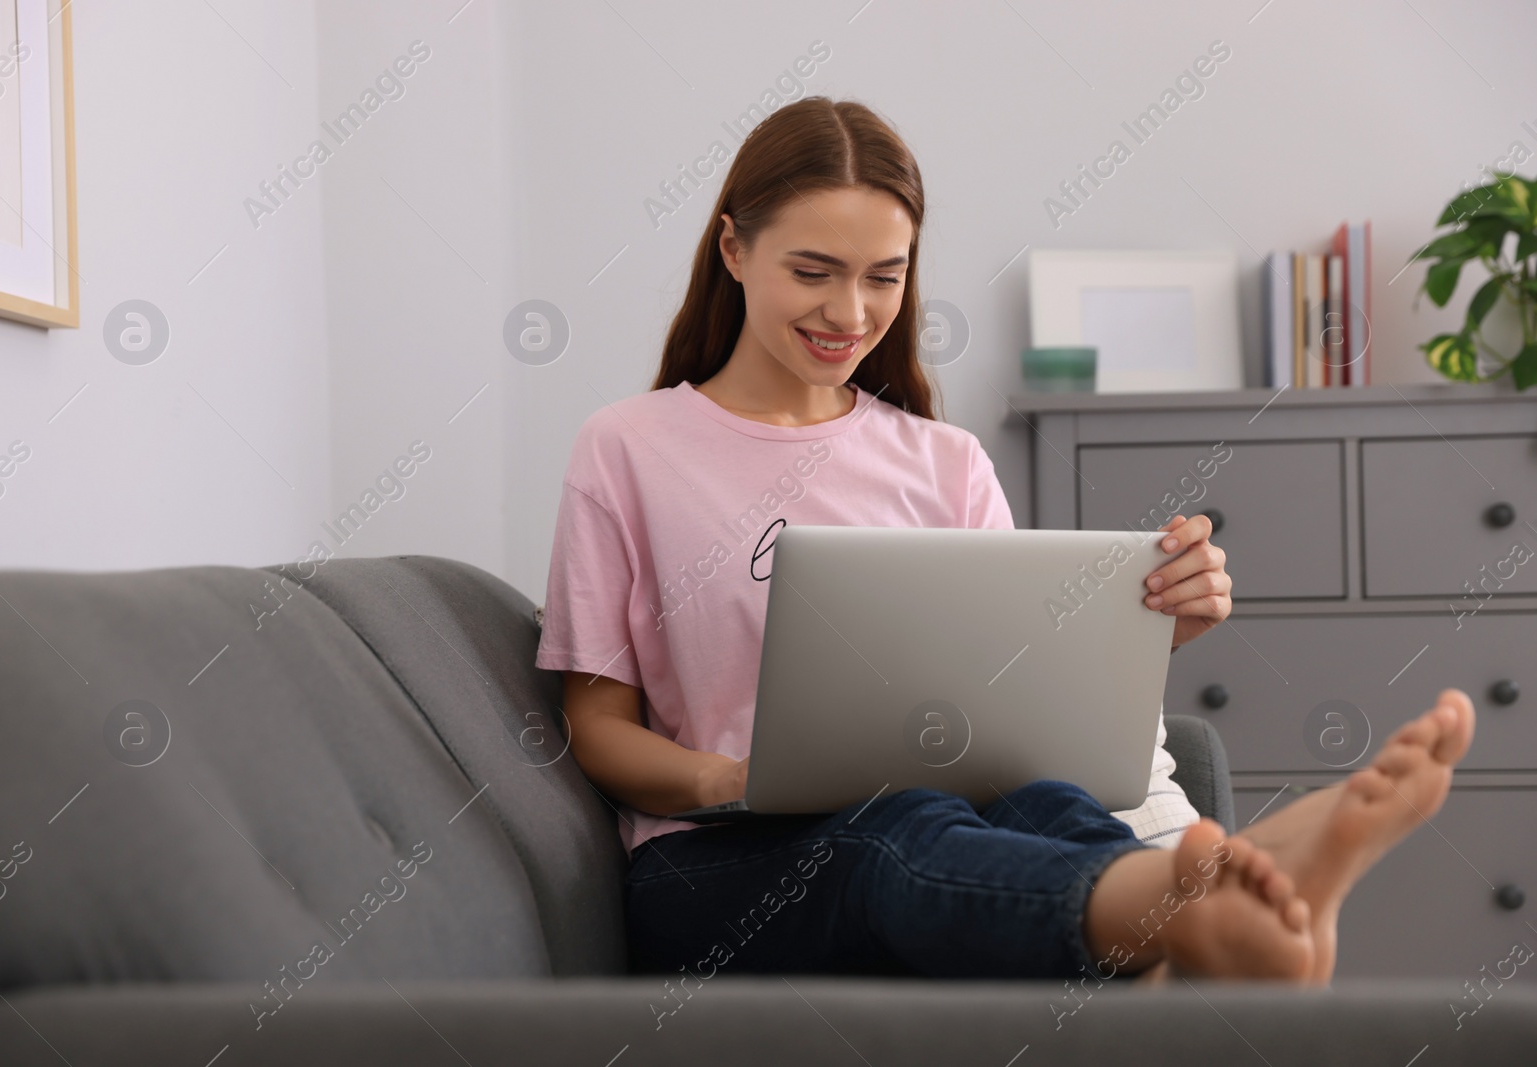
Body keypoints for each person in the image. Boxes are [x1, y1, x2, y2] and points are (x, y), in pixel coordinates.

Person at [534, 95, 1476, 985]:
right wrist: (724, 776)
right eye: (813, 272)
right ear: (734, 250)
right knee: (894, 830)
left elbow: (1019, 709)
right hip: (711, 866)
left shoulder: (945, 462)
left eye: (884, 277)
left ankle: (1199, 937)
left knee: (1046, 806)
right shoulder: (628, 448)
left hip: (950, 822)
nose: (851, 314)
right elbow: (598, 727)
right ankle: (1204, 897)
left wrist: (1155, 628)